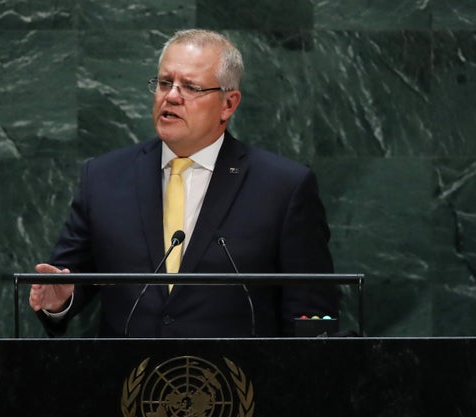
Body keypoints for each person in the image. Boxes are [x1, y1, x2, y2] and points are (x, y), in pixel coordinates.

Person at [29, 29, 338, 337]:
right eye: (165, 83)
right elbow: (66, 284)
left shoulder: (283, 187)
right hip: (129, 381)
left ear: (228, 104)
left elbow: (310, 313)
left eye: (190, 87)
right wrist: (59, 302)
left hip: (239, 381)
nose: (171, 96)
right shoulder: (103, 178)